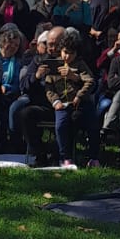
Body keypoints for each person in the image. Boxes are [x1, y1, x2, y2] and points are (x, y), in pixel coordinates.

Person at [43, 25, 100, 168]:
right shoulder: (55, 64)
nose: (67, 56)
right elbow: (49, 86)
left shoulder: (80, 65)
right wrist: (55, 101)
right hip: (61, 104)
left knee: (93, 124)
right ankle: (65, 157)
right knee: (61, 125)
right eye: (64, 52)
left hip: (80, 104)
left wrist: (77, 86)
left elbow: (90, 81)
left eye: (71, 53)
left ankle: (93, 157)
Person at [16, 27, 64, 164]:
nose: (52, 48)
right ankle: (39, 152)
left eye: (56, 45)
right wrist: (36, 76)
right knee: (25, 114)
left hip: (64, 106)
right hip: (43, 106)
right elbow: (23, 86)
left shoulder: (72, 59)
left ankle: (58, 152)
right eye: (49, 44)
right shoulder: (38, 60)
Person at [0, 24, 28, 148]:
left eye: (16, 45)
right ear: (3, 41)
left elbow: (18, 83)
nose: (13, 47)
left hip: (12, 94)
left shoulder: (18, 61)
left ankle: (11, 142)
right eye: (10, 43)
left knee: (8, 104)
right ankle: (0, 141)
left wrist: (6, 87)